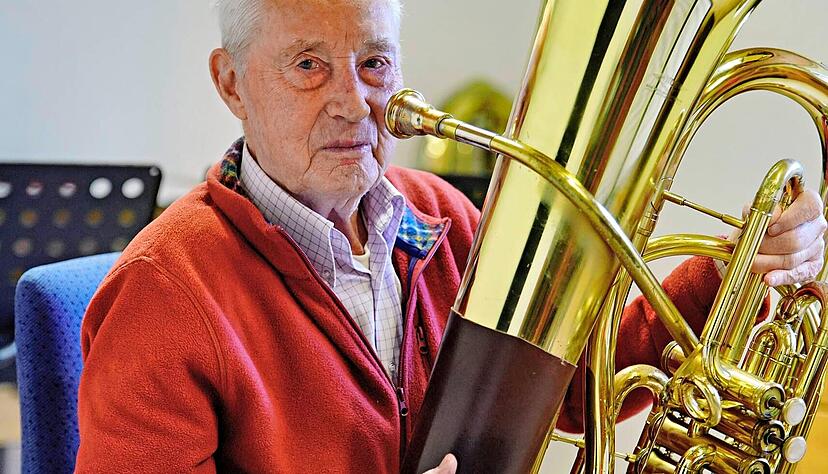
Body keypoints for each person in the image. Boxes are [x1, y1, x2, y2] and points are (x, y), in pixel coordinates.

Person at [75, 0, 827, 472]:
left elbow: (563, 392)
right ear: (231, 83)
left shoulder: (440, 213)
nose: (354, 102)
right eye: (307, 65)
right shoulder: (162, 292)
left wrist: (739, 272)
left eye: (374, 62)